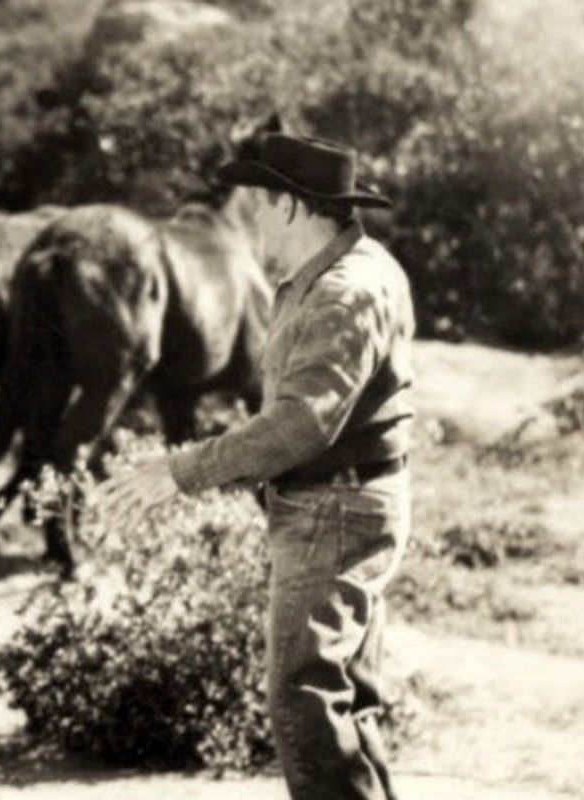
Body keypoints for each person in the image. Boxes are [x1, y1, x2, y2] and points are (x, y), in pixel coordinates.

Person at [98, 127, 414, 800]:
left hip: (333, 509)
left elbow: (302, 423)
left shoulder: (342, 291)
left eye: (262, 202)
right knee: (347, 698)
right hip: (347, 500)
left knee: (304, 699)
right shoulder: (352, 269)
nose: (253, 218)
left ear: (295, 207)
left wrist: (180, 472)